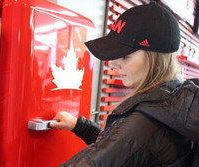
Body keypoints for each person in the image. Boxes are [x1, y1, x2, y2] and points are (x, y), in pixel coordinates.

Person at [49, 1, 199, 167]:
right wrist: (81, 127)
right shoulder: (173, 99)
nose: (113, 63)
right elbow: (128, 150)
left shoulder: (145, 122)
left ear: (154, 59)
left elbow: (126, 143)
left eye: (125, 56)